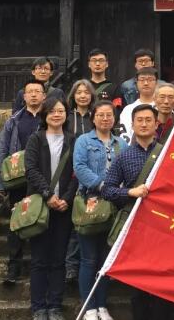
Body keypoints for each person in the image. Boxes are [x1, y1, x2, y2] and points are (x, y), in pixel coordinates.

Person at [102, 104, 174, 320]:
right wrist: (130, 192)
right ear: (132, 125)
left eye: (148, 120)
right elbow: (108, 190)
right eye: (139, 120)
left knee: (164, 282)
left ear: (156, 124)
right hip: (136, 227)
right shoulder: (124, 156)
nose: (144, 124)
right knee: (139, 284)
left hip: (164, 227)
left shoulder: (169, 154)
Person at [25, 98, 78, 320]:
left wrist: (66, 198)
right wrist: (48, 194)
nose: (57, 115)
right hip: (41, 205)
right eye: (52, 111)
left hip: (63, 208)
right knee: (39, 259)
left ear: (67, 114)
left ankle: (55, 305)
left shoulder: (73, 140)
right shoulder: (36, 139)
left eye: (61, 111)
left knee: (58, 259)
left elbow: (77, 172)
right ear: (44, 115)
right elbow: (31, 169)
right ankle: (38, 307)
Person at [73, 101, 127, 320]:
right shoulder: (83, 141)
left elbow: (126, 169)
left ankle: (102, 306)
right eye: (101, 115)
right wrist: (103, 185)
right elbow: (79, 167)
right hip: (91, 201)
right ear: (93, 118)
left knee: (106, 259)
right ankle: (89, 307)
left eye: (109, 115)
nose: (105, 119)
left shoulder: (121, 143)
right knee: (88, 258)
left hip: (114, 206)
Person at [0, 79, 46, 285]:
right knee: (16, 221)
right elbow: (1, 151)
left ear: (44, 96)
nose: (33, 95)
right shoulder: (14, 121)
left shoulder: (49, 118)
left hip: (42, 179)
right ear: (23, 96)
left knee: (40, 218)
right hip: (18, 180)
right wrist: (0, 184)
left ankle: (39, 266)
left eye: (37, 91)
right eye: (30, 92)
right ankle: (14, 266)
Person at [64, 79, 97, 285]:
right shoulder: (67, 117)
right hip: (69, 174)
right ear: (73, 95)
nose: (83, 95)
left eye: (86, 92)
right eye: (79, 92)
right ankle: (70, 266)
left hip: (92, 175)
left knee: (88, 220)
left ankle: (87, 266)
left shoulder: (97, 116)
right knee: (72, 222)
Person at [118, 67, 158, 140]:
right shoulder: (128, 109)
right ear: (136, 83)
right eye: (142, 80)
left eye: (150, 80)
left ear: (156, 83)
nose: (146, 83)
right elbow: (125, 136)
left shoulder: (163, 107)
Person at [86, 48, 124, 113]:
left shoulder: (115, 88)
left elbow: (117, 111)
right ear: (89, 64)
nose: (97, 64)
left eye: (101, 60)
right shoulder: (84, 86)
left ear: (107, 64)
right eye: (94, 60)